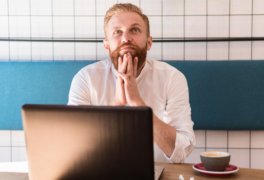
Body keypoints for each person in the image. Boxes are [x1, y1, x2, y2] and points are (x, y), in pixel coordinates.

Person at [68, 3, 195, 163]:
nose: (126, 38)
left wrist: (138, 104)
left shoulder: (172, 78)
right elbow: (73, 144)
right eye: (117, 32)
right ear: (107, 46)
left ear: (149, 43)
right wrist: (116, 104)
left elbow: (180, 152)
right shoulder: (86, 78)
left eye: (134, 30)